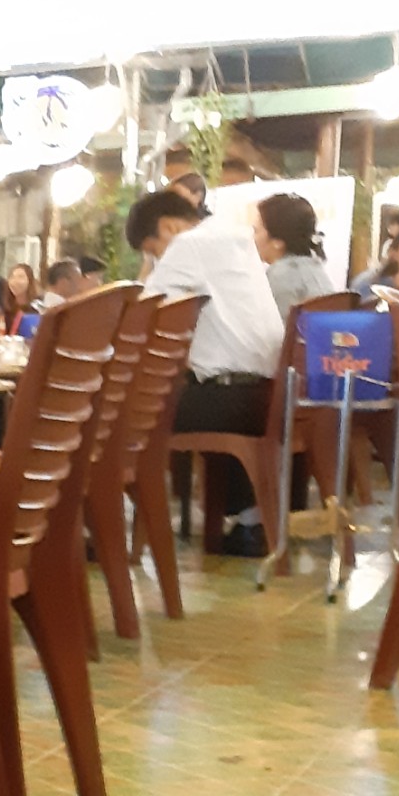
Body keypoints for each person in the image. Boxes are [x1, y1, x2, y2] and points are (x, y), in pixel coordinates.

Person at [130, 186, 285, 557]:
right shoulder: (234, 238)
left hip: (230, 400)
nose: (156, 260)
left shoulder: (190, 244)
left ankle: (94, 528)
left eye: (153, 251)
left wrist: (150, 270)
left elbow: (140, 317)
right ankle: (247, 520)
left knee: (118, 413)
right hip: (263, 395)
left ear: (167, 227)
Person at [251, 191, 338, 316]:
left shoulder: (278, 278)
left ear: (278, 242)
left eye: (256, 231)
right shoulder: (316, 269)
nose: (252, 238)